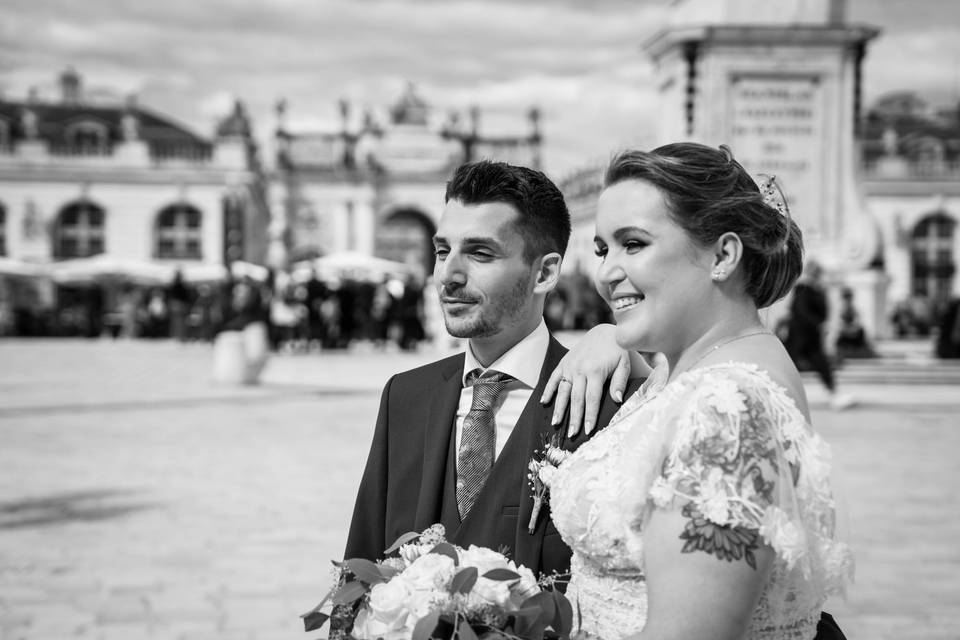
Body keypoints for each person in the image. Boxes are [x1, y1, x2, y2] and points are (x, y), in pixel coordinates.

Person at [540, 144, 852, 640]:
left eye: (634, 244)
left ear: (723, 255)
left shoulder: (725, 412)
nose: (605, 273)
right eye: (603, 249)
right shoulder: (700, 368)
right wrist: (606, 336)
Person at [343, 160, 641, 578]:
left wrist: (616, 336)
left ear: (545, 272)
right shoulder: (405, 396)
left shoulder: (609, 401)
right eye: (443, 251)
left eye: (480, 253)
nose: (449, 275)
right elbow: (362, 563)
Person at [786, 259, 855, 410]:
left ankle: (833, 392)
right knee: (796, 364)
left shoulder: (813, 288)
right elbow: (801, 311)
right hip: (803, 335)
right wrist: (818, 324)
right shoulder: (804, 288)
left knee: (815, 364)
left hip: (808, 335)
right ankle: (833, 393)